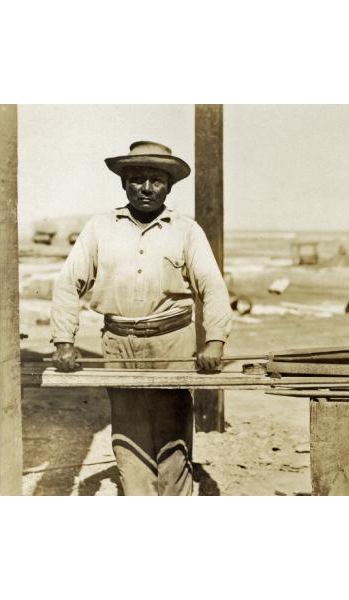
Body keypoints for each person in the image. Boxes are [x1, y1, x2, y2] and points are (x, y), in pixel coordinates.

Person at [50, 141, 232, 496]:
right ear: (123, 184)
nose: (146, 188)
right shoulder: (100, 228)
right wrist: (64, 341)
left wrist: (215, 341)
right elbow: (68, 283)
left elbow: (212, 287)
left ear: (169, 186)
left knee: (173, 433)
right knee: (129, 433)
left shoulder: (186, 230)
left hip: (172, 340)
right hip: (119, 343)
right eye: (137, 179)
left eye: (156, 180)